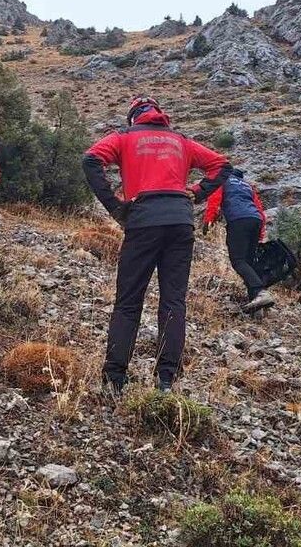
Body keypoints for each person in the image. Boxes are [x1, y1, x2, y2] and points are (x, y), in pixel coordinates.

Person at [82, 97, 229, 393]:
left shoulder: (124, 137)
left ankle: (114, 379)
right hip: (180, 221)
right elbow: (221, 165)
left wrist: (115, 206)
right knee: (173, 301)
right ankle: (166, 380)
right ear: (160, 115)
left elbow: (90, 160)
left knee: (128, 301)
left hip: (143, 220)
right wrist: (198, 192)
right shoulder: (181, 141)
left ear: (133, 117)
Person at [203, 168, 274, 313]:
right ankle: (256, 305)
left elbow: (214, 199)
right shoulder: (247, 185)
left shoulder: (222, 181)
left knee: (238, 261)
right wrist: (260, 234)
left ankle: (260, 292)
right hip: (255, 221)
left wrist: (208, 220)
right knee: (248, 263)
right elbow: (260, 210)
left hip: (238, 220)